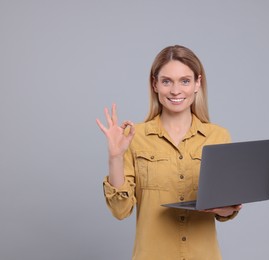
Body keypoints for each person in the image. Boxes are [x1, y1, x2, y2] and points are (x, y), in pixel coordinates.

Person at [96, 45, 242, 260]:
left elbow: (227, 211)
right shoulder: (133, 137)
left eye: (185, 81)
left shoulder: (218, 136)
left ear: (197, 84)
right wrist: (115, 157)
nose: (176, 90)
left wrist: (226, 209)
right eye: (167, 81)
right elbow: (120, 211)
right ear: (155, 84)